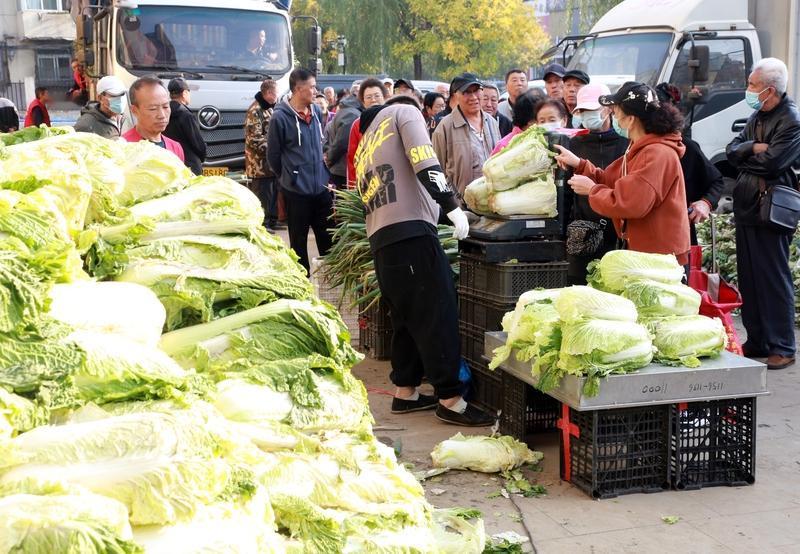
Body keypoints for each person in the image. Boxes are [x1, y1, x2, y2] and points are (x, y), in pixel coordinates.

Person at [355, 95, 494, 426]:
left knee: (406, 319)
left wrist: (446, 214)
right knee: (437, 313)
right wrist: (451, 205)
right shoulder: (403, 112)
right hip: (412, 238)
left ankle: (406, 392)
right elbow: (424, 160)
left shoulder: (366, 145)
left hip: (383, 242)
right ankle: (451, 399)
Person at [555, 81, 690, 269]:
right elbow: (610, 179)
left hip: (658, 257)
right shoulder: (639, 148)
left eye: (616, 111)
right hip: (646, 253)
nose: (614, 117)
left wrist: (592, 190)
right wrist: (579, 164)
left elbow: (628, 203)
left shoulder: (656, 153)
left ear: (630, 119)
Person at [726, 58, 800, 370]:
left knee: (772, 278)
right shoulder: (758, 114)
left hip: (772, 210)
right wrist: (753, 148)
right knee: (751, 278)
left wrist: (750, 151)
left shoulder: (791, 120)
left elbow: (773, 164)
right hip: (748, 206)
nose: (748, 89)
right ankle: (758, 340)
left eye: (752, 84)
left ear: (769, 89)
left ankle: (783, 346)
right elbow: (731, 151)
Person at [267, 68, 332, 273]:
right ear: (297, 89)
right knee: (299, 243)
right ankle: (303, 283)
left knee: (327, 239)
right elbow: (273, 156)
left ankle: (330, 282)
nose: (315, 91)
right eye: (311, 87)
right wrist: (290, 177)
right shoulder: (280, 118)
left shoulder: (316, 112)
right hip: (296, 192)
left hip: (321, 189)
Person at [565, 83, 629, 284]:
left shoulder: (626, 144)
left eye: (591, 109)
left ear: (608, 109)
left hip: (618, 234)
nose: (587, 115)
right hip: (582, 235)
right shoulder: (573, 144)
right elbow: (565, 194)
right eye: (582, 111)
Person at [655, 83, 724, 245]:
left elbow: (716, 181)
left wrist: (705, 203)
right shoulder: (629, 147)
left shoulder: (686, 148)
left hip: (677, 235)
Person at [432, 72, 501, 199]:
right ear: (455, 96)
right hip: (461, 203)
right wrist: (453, 201)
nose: (473, 97)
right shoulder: (445, 127)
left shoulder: (491, 122)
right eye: (467, 92)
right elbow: (437, 170)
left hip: (491, 200)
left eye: (476, 90)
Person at [244, 79, 280, 230]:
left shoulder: (269, 108)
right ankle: (263, 224)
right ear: (269, 93)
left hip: (269, 164)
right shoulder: (255, 110)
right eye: (276, 93)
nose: (277, 96)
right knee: (262, 196)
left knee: (271, 194)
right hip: (259, 165)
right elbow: (254, 139)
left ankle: (272, 221)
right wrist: (274, 150)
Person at [122, 76, 184, 161]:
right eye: (153, 109)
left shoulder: (175, 148)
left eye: (165, 107)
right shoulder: (123, 147)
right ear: (134, 110)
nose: (162, 115)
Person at [345, 78, 389, 187]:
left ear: (385, 97)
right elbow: (352, 159)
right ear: (363, 102)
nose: (373, 100)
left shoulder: (394, 119)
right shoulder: (357, 125)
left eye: (377, 96)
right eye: (368, 97)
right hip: (368, 184)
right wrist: (353, 187)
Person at [324, 81, 364, 189]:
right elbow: (342, 143)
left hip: (341, 168)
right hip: (344, 170)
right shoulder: (352, 113)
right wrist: (329, 160)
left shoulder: (349, 109)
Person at [164, 78, 206, 175]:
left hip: (170, 164)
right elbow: (197, 144)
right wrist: (202, 156)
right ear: (184, 93)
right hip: (190, 166)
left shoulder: (164, 113)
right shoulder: (186, 115)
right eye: (188, 92)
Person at [73, 75, 127, 140]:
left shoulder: (125, 119)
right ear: (100, 98)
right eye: (114, 95)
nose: (120, 99)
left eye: (122, 94)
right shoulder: (85, 125)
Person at [490, 90, 541, 155]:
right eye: (542, 119)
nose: (546, 123)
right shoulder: (504, 147)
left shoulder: (542, 139)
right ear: (531, 122)